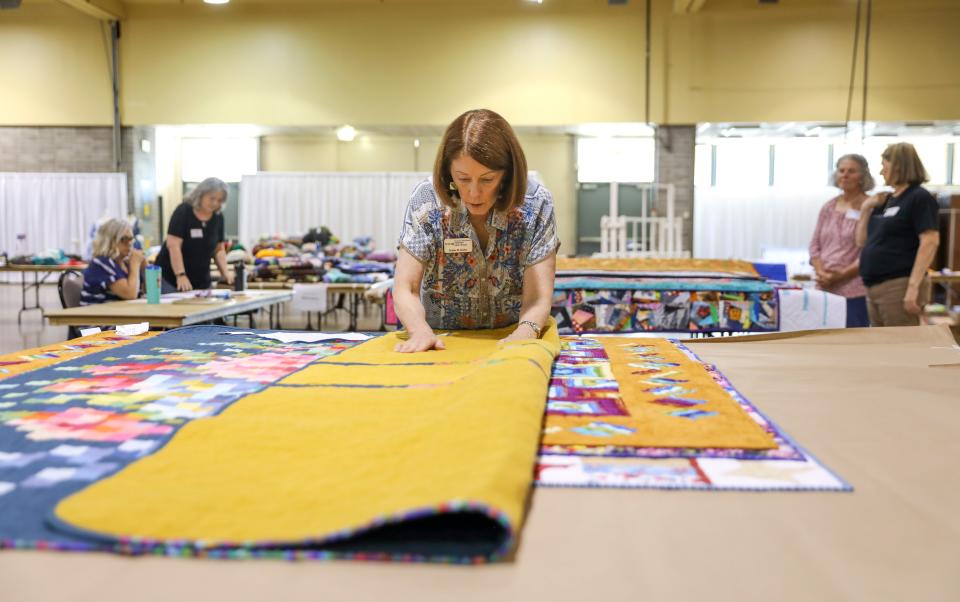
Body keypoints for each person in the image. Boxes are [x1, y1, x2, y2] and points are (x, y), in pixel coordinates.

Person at [393, 108, 560, 353]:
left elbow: (538, 298)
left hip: (512, 336)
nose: (473, 192)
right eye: (462, 178)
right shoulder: (428, 201)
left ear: (507, 175)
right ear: (448, 172)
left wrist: (524, 333)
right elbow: (404, 288)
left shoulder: (536, 205)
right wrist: (419, 331)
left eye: (487, 179)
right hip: (440, 340)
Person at [855, 143, 940, 326]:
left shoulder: (919, 197)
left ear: (898, 166)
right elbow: (861, 242)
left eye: (884, 165)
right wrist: (865, 208)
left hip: (898, 285)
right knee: (882, 348)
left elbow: (930, 241)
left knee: (901, 348)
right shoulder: (887, 200)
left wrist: (913, 288)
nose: (880, 172)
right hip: (873, 286)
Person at [808, 154, 874, 327]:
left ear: (863, 176)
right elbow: (815, 245)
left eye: (851, 171)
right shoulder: (828, 206)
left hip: (854, 290)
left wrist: (840, 276)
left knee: (852, 344)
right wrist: (821, 272)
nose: (845, 175)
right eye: (841, 170)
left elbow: (868, 252)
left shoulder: (871, 206)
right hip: (824, 287)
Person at [156, 177, 234, 293]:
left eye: (219, 200)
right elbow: (173, 245)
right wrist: (180, 275)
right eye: (212, 198)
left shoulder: (218, 217)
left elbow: (219, 249)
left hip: (201, 281)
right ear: (200, 194)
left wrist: (225, 273)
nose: (215, 203)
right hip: (171, 278)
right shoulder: (183, 211)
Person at [80, 218, 144, 305]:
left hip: (120, 315)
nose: (129, 243)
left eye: (131, 239)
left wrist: (145, 267)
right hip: (98, 316)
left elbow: (150, 292)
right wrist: (135, 264)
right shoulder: (100, 263)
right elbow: (130, 294)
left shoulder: (125, 263)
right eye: (124, 239)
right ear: (110, 241)